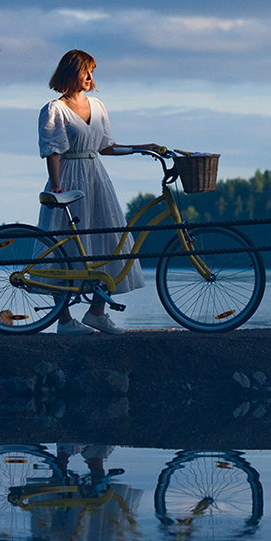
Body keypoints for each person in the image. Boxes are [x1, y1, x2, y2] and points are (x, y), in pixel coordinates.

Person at [39, 49, 162, 335]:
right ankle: (64, 320)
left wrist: (142, 148)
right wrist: (56, 184)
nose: (90, 77)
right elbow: (53, 150)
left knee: (109, 238)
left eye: (92, 72)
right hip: (69, 177)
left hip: (97, 178)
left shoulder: (98, 105)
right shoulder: (54, 109)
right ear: (71, 73)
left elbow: (106, 146)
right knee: (63, 243)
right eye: (86, 71)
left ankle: (97, 312)